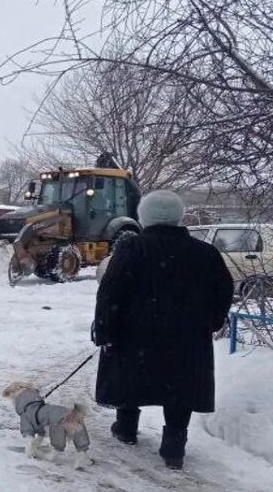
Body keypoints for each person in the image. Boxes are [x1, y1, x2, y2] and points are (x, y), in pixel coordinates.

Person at [91, 190, 233, 469]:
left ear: (144, 217)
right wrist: (212, 321)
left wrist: (105, 329)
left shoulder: (131, 248)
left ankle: (126, 428)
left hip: (135, 334)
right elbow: (224, 291)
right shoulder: (205, 253)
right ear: (177, 217)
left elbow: (110, 293)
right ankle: (174, 446)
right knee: (181, 388)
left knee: (129, 378)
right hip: (188, 337)